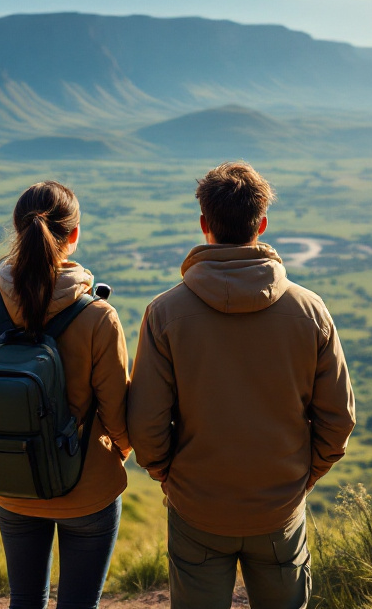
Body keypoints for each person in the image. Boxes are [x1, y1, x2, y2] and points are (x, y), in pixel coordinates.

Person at [128, 162, 356, 609]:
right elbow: (339, 418)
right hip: (279, 507)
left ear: (204, 225)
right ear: (262, 224)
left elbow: (146, 422)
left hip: (197, 505)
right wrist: (301, 478)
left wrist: (170, 478)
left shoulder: (166, 313)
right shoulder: (309, 311)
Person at [0, 181, 132, 609]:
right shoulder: (98, 317)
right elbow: (117, 412)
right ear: (73, 236)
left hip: (14, 480)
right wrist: (118, 455)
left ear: (18, 231)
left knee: (24, 601)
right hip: (88, 488)